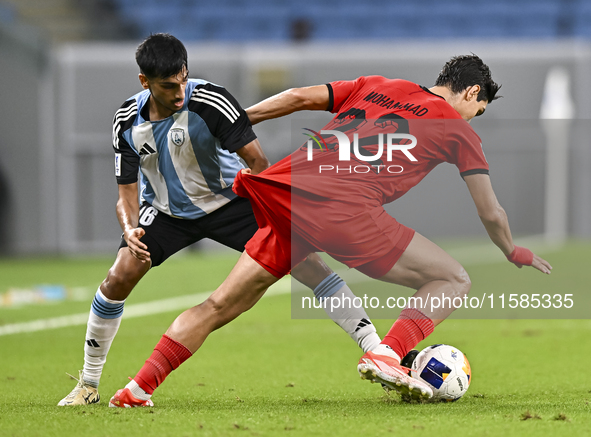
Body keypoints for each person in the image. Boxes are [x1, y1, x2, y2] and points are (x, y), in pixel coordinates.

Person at [107, 54, 552, 407]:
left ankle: (137, 389)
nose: (472, 118)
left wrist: (237, 124)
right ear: (472, 91)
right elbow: (490, 211)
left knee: (220, 304)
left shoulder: (377, 85)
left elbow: (298, 97)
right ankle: (387, 353)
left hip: (290, 192)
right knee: (453, 278)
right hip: (345, 209)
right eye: (477, 109)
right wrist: (513, 251)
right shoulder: (456, 129)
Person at [57, 33, 381, 407]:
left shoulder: (211, 100)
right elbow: (126, 194)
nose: (179, 93)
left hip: (232, 202)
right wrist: (129, 230)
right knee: (119, 276)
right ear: (144, 82)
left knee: (308, 264)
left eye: (182, 80)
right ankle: (88, 384)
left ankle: (376, 350)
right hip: (166, 212)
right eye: (167, 86)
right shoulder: (126, 121)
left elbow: (259, 164)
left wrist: (276, 216)